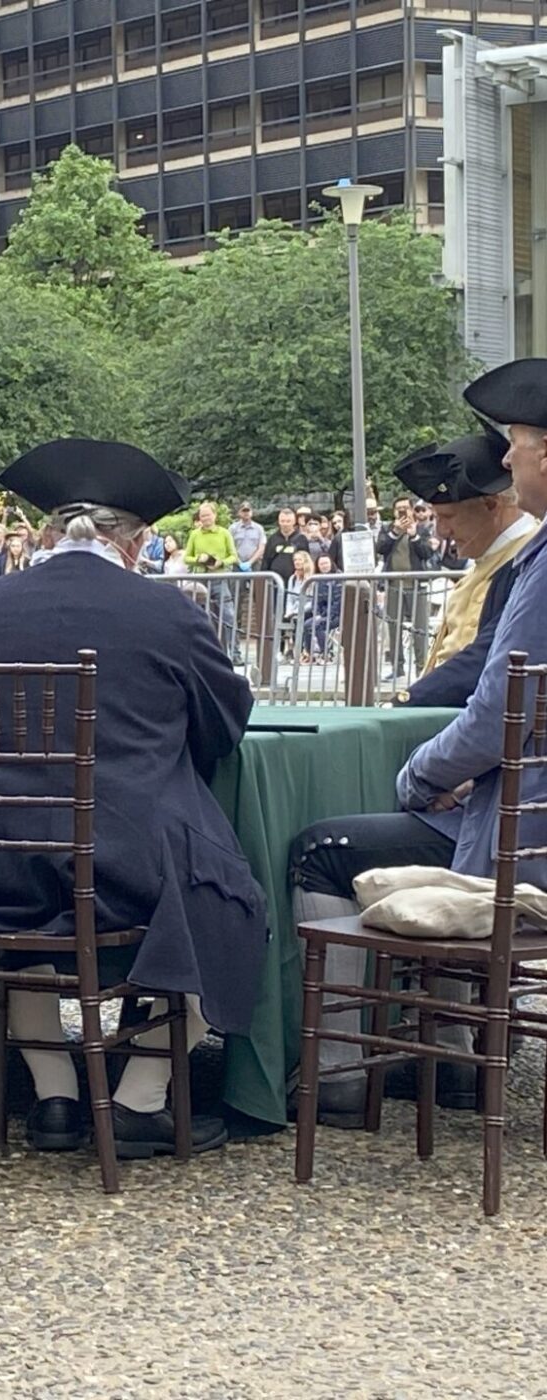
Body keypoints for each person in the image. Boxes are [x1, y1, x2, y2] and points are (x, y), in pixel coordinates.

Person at [0, 437, 268, 1158]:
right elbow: (224, 725)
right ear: (138, 541)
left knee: (17, 920)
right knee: (227, 903)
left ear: (47, 534)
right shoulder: (167, 610)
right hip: (126, 861)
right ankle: (137, 1101)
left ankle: (56, 1098)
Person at [290, 359, 547, 1127]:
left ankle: (342, 1076)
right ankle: (455, 1057)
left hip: (526, 848)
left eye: (518, 443)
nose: (508, 458)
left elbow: (498, 710)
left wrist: (419, 774)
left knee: (320, 848)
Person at [389, 430, 534, 708]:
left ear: (491, 505)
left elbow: (482, 659)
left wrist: (405, 703)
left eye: (448, 516)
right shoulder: (493, 561)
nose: (441, 531)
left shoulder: (527, 563)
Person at [377, 494, 438, 681]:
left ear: (412, 510)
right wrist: (395, 532)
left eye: (406, 509)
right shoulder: (387, 528)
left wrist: (414, 536)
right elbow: (380, 548)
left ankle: (421, 667)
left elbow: (426, 553)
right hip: (393, 585)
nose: (403, 512)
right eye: (399, 509)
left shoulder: (422, 529)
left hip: (416, 585)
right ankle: (397, 667)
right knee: (393, 627)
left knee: (420, 628)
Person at [184, 501, 240, 659]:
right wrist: (198, 559)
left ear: (215, 515)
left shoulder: (224, 533)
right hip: (200, 580)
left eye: (208, 515)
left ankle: (235, 653)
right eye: (202, 516)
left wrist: (220, 562)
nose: (205, 518)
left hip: (219, 578)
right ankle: (198, 652)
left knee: (228, 615)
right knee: (198, 616)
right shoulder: (195, 534)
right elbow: (186, 558)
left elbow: (234, 556)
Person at [260, 508, 308, 584]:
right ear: (279, 521)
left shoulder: (301, 539)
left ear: (294, 521)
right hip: (274, 581)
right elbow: (266, 561)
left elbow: (306, 561)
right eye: (282, 521)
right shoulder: (272, 539)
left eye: (288, 521)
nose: (285, 524)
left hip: (295, 580)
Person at [308, 555, 342, 659]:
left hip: (337, 615)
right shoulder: (318, 580)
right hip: (323, 614)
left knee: (318, 625)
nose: (324, 566)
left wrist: (326, 616)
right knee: (306, 625)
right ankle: (309, 653)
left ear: (331, 563)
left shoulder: (339, 578)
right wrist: (317, 614)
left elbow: (338, 603)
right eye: (321, 564)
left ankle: (326, 653)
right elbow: (315, 601)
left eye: (326, 563)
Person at [230, 501, 265, 572]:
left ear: (251, 512)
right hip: (237, 565)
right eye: (244, 511)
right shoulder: (233, 528)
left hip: (255, 565)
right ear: (239, 513)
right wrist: (239, 563)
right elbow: (230, 547)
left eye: (248, 511)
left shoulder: (259, 528)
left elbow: (261, 548)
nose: (246, 513)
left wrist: (250, 562)